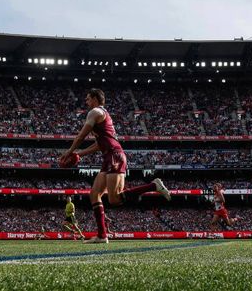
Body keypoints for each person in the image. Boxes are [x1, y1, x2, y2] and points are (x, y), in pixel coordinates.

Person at [60, 88, 171, 244]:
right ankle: (102, 235)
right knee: (94, 194)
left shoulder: (95, 112)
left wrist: (69, 152)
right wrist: (79, 154)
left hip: (115, 156)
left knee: (114, 199)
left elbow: (81, 136)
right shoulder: (103, 115)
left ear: (95, 99)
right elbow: (99, 144)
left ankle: (153, 185)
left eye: (88, 99)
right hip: (108, 157)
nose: (85, 102)